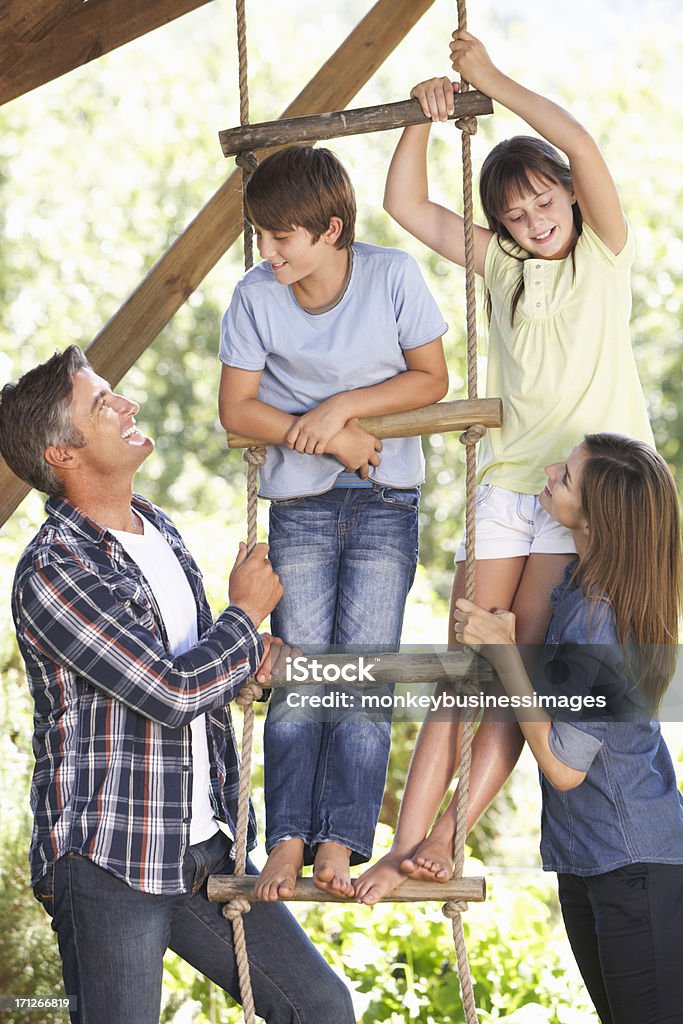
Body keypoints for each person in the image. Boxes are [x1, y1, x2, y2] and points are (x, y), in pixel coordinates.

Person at [355, 29, 655, 903]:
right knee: (464, 665)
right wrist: (421, 113)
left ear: (565, 194)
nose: (533, 224)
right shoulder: (503, 268)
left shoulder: (603, 254)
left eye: (543, 206)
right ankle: (402, 850)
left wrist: (488, 80)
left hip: (580, 501)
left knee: (515, 666)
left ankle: (447, 837)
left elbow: (585, 144)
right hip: (510, 491)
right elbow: (405, 206)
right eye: (515, 217)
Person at [0, 346, 355, 1024]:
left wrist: (247, 668)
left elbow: (194, 676)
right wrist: (245, 617)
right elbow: (167, 692)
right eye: (101, 404)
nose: (125, 404)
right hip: (108, 853)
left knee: (318, 1007)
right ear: (62, 455)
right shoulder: (53, 569)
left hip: (200, 845)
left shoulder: (155, 526)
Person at [218, 144, 449, 900]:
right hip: (301, 505)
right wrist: (322, 440)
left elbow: (431, 377)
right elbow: (237, 409)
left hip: (386, 500)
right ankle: (286, 838)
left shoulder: (391, 276)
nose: (268, 250)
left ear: (331, 230)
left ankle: (340, 840)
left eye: (282, 236)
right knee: (304, 668)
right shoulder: (255, 296)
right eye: (261, 234)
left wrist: (339, 410)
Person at [454, 433, 683, 1024]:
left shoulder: (602, 620)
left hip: (633, 867)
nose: (552, 470)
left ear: (598, 515)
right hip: (591, 861)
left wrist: (506, 653)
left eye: (568, 477)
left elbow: (563, 768)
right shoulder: (582, 587)